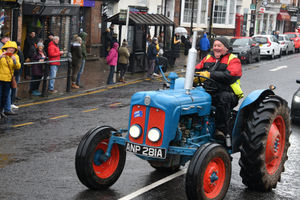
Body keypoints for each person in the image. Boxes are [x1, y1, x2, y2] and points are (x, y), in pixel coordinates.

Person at [194, 37, 243, 140]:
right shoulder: (207, 58)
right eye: (215, 46)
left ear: (225, 48)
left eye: (219, 46)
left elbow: (230, 76)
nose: (216, 48)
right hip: (209, 91)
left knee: (223, 98)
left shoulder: (233, 59)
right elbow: (197, 69)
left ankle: (221, 130)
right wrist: (194, 77)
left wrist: (210, 75)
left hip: (228, 92)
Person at [0, 41, 21, 118]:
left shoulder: (16, 56)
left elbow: (18, 67)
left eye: (14, 48)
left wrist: (15, 60)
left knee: (5, 96)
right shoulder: (0, 53)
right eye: (10, 48)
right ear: (6, 47)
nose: (12, 49)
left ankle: (1, 111)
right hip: (0, 78)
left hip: (8, 79)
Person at [11, 42, 24, 108]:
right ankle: (11, 101)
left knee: (15, 86)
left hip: (17, 72)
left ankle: (13, 100)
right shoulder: (16, 54)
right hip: (14, 73)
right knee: (13, 87)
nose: (19, 47)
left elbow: (20, 63)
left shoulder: (19, 53)